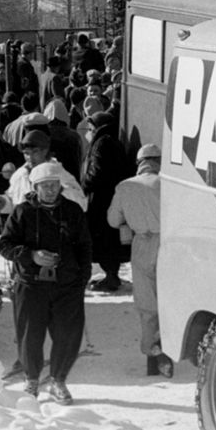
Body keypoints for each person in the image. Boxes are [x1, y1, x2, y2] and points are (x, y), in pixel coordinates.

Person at [0, 160, 92, 402]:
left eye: (54, 185)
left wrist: (81, 278)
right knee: (30, 335)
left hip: (66, 286)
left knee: (67, 334)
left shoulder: (73, 212)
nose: (50, 190)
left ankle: (58, 380)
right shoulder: (22, 212)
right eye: (44, 186)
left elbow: (84, 246)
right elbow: (5, 245)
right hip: (31, 285)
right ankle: (31, 380)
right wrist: (32, 256)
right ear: (35, 187)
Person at [109, 143, 171, 375]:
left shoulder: (125, 186)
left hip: (141, 243)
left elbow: (113, 221)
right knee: (168, 299)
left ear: (139, 163)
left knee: (147, 304)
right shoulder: (169, 184)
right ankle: (166, 351)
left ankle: (151, 353)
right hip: (169, 243)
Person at [82, 106, 133, 292]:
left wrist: (84, 186)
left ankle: (111, 277)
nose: (88, 133)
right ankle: (111, 275)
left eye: (90, 128)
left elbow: (97, 173)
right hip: (111, 198)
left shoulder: (102, 143)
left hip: (102, 201)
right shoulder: (112, 141)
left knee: (103, 240)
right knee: (109, 239)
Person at [4, 126, 88, 210]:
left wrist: (60, 191)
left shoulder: (57, 173)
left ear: (45, 150)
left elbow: (81, 203)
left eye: (35, 152)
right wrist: (2, 203)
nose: (30, 157)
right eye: (26, 153)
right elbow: (13, 201)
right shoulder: (20, 174)